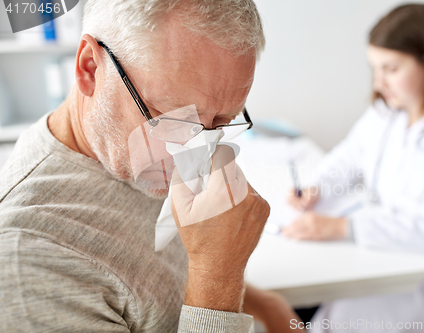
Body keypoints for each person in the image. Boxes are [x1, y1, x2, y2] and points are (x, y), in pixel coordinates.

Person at [0, 0, 304, 332]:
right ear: (90, 68)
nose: (196, 150)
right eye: (174, 120)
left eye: (223, 120)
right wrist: (217, 275)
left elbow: (164, 277)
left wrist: (267, 305)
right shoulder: (27, 261)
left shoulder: (121, 149)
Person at [286, 4, 424, 332]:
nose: (379, 82)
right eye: (375, 69)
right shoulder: (387, 112)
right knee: (308, 297)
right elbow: (346, 158)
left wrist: (345, 227)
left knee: (341, 321)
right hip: (389, 255)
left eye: (391, 69)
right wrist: (316, 187)